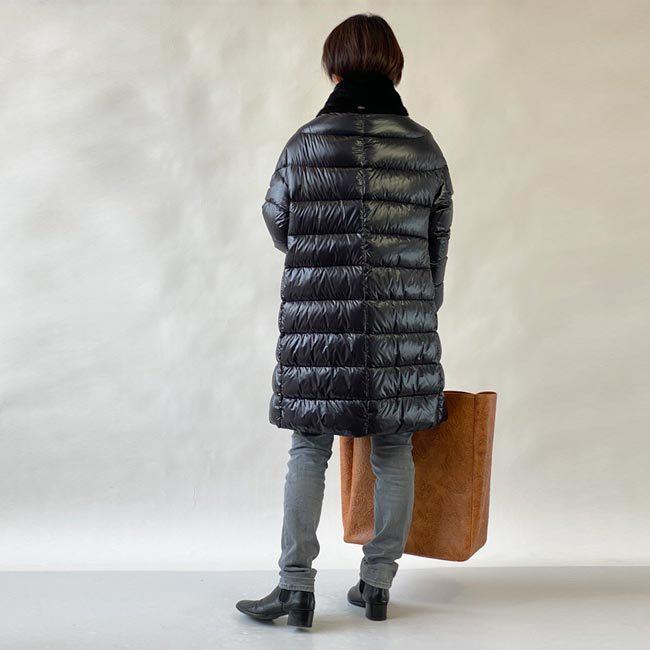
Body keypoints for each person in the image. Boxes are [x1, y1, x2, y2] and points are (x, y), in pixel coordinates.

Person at [236, 13, 453, 627]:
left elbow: (279, 221)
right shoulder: (423, 147)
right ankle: (377, 584)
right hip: (399, 320)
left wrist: (319, 253)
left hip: (317, 317)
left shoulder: (304, 143)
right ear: (394, 69)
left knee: (309, 445)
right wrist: (420, 307)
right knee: (394, 447)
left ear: (333, 69)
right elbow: (436, 245)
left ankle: (295, 589)